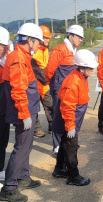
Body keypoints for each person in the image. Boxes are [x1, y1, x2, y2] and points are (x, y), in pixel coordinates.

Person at [0, 23, 43, 202]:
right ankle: (9, 187)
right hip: (23, 110)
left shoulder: (22, 55)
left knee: (26, 145)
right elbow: (18, 89)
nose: (39, 46)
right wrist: (24, 113)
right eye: (38, 42)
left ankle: (23, 177)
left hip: (29, 108)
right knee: (21, 146)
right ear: (30, 40)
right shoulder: (18, 58)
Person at [52, 49, 98, 186]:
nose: (93, 69)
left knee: (66, 142)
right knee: (71, 145)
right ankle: (73, 176)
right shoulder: (73, 82)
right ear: (82, 67)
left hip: (73, 118)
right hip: (68, 118)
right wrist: (71, 125)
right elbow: (67, 106)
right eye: (90, 67)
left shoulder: (82, 77)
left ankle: (59, 169)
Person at [45, 25, 84, 156]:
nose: (81, 40)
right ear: (71, 36)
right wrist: (54, 86)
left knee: (69, 114)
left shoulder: (75, 50)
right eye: (79, 37)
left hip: (71, 90)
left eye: (82, 38)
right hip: (59, 90)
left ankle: (67, 142)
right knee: (58, 116)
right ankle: (57, 146)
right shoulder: (59, 50)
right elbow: (49, 71)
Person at [31, 25, 53, 137]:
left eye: (48, 38)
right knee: (34, 107)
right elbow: (36, 69)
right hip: (35, 83)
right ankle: (37, 129)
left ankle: (52, 126)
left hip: (43, 84)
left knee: (49, 105)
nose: (47, 40)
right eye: (45, 38)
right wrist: (46, 80)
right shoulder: (34, 51)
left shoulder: (46, 49)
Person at [0, 27, 10, 184]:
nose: (7, 49)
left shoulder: (4, 61)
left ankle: (1, 168)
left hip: (3, 109)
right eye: (4, 46)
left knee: (3, 139)